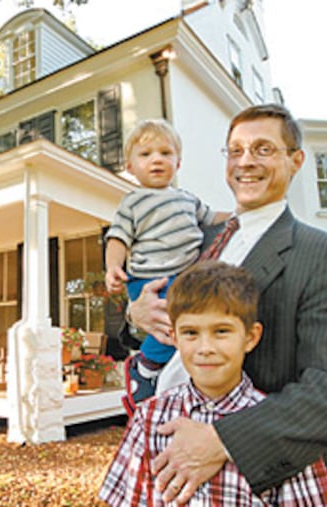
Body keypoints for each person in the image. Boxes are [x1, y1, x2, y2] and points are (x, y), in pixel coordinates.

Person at [123, 104, 327, 503]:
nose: (245, 162)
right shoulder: (195, 241)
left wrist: (222, 441)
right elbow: (160, 308)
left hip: (252, 473)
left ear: (295, 161)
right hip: (161, 446)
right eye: (235, 150)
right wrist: (136, 313)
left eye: (262, 149)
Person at [99, 261, 327, 506]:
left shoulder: (278, 429)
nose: (205, 349)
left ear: (250, 337)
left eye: (221, 331)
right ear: (174, 337)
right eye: (191, 333)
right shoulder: (149, 419)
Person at [104, 119, 228, 412]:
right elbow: (118, 238)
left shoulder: (188, 199)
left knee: (189, 325)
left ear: (178, 162)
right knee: (172, 325)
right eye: (145, 155)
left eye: (165, 153)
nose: (156, 159)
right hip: (149, 279)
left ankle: (168, 376)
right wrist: (112, 268)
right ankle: (144, 368)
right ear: (130, 167)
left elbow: (213, 218)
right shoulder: (133, 202)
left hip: (182, 277)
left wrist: (242, 213)